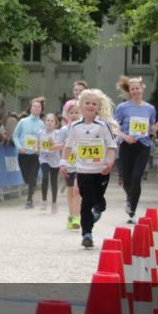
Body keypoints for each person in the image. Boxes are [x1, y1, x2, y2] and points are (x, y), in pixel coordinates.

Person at [61, 89, 118, 248]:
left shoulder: (103, 126)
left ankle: (95, 213)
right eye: (87, 103)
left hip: (101, 171)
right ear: (81, 106)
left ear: (98, 107)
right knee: (86, 202)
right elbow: (68, 146)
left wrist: (110, 161)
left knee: (99, 202)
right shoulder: (75, 127)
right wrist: (63, 163)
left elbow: (112, 146)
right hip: (83, 171)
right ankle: (87, 234)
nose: (91, 106)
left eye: (94, 104)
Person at [113, 76, 158, 222]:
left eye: (137, 88)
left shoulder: (150, 108)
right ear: (129, 91)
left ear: (142, 88)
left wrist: (157, 127)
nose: (135, 91)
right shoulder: (122, 108)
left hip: (143, 146)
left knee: (136, 179)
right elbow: (114, 128)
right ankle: (130, 198)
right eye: (132, 89)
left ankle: (132, 212)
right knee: (126, 180)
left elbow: (150, 130)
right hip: (127, 145)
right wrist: (125, 136)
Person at [13, 97, 45, 208]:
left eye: (38, 107)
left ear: (41, 110)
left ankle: (29, 200)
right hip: (23, 154)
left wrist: (39, 148)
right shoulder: (23, 121)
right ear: (30, 109)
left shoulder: (42, 124)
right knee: (26, 178)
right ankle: (32, 185)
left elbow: (44, 139)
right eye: (34, 106)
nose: (36, 108)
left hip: (35, 156)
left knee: (32, 177)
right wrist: (19, 147)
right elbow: (15, 135)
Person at [58, 103, 82, 230]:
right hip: (68, 163)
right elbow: (59, 145)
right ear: (67, 115)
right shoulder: (64, 130)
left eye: (77, 112)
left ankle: (77, 217)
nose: (74, 115)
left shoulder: (84, 128)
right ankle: (71, 214)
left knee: (78, 189)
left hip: (81, 164)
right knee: (71, 190)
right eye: (71, 113)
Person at [38, 113, 63, 213]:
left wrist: (53, 142)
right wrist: (37, 148)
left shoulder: (58, 133)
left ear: (55, 124)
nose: (49, 122)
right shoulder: (40, 132)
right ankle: (44, 200)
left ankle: (54, 202)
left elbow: (59, 146)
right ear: (44, 122)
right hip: (44, 158)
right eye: (47, 120)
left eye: (52, 121)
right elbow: (38, 144)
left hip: (55, 159)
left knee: (53, 181)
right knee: (44, 178)